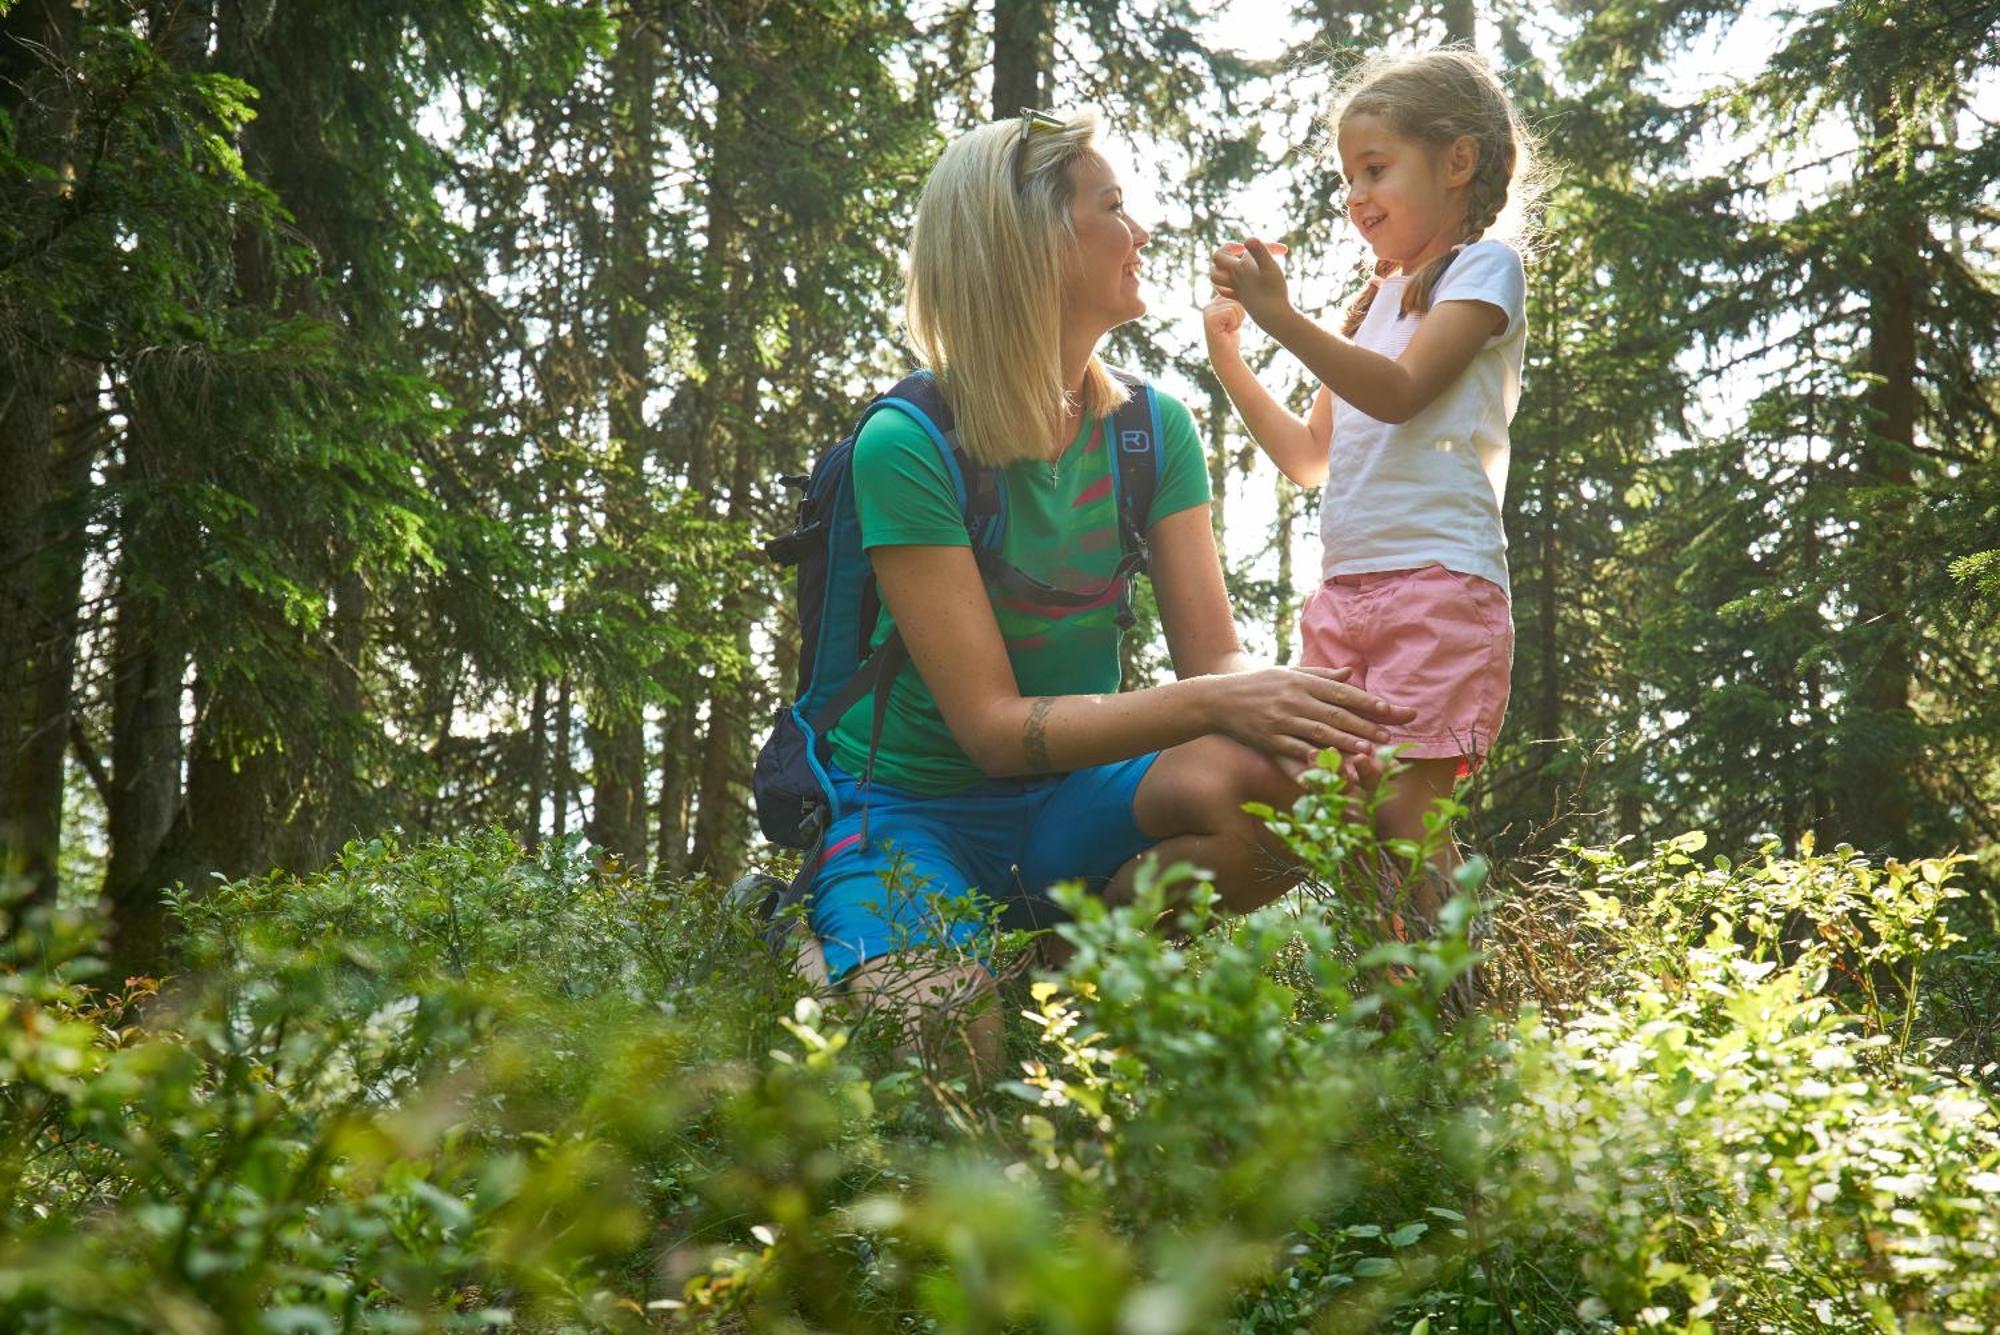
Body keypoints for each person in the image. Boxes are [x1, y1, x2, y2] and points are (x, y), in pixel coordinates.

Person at [798, 110, 1413, 1078]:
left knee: (1303, 780)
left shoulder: (1148, 430)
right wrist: (1216, 700)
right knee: (951, 1050)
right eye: (1112, 207)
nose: (1142, 232)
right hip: (913, 815)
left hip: (1072, 803)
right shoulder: (906, 445)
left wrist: (1278, 707)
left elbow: (1213, 659)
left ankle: (1059, 967)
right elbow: (993, 730)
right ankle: (858, 939)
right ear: (1031, 241)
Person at [1205, 49, 1537, 930]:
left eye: (1376, 169)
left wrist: (1281, 317)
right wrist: (1233, 357)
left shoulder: (1483, 270)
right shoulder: (1373, 300)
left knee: (1403, 811)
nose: (1356, 194)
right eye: (1349, 175)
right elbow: (1311, 458)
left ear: (1457, 162)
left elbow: (1398, 393)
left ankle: (1458, 1028)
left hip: (1438, 583)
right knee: (1340, 810)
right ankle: (1396, 1019)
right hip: (1346, 593)